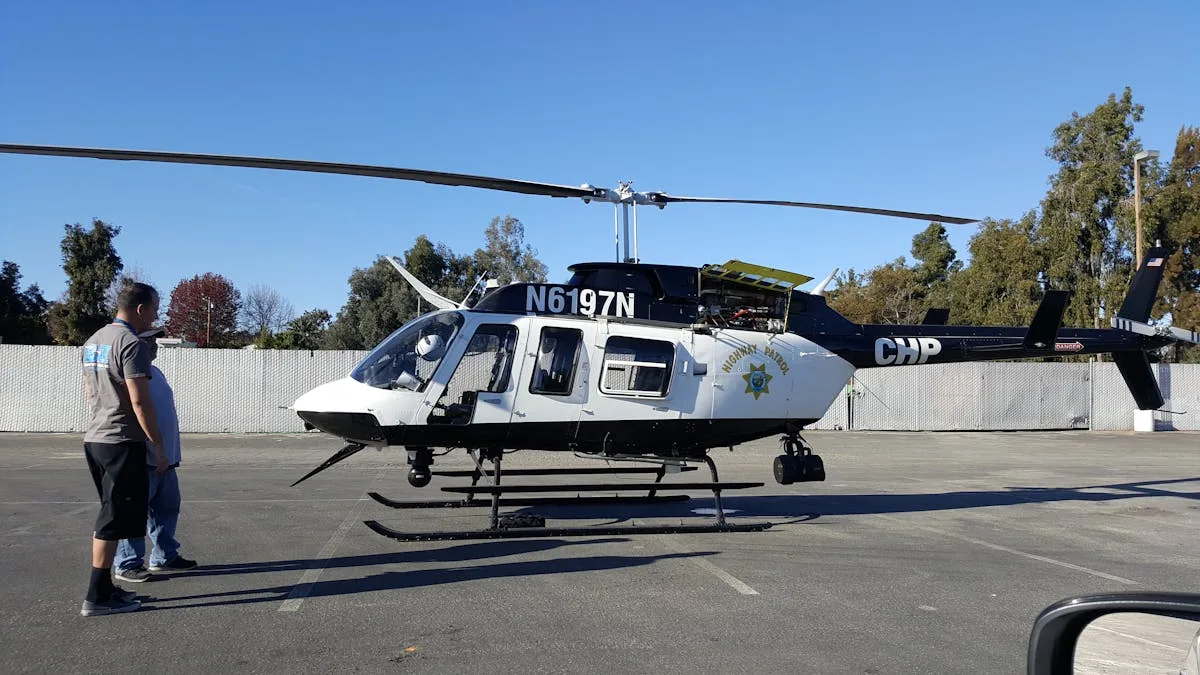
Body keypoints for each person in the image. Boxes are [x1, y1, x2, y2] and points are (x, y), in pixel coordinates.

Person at [79, 282, 168, 617]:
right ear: (141, 309)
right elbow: (139, 401)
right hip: (121, 441)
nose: (156, 316)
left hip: (96, 438)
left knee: (110, 514)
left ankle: (105, 588)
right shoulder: (131, 344)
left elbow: (90, 392)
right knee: (112, 519)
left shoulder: (94, 341)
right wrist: (157, 446)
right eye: (155, 309)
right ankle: (96, 596)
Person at [113, 327, 197, 582]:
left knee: (167, 508)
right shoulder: (131, 375)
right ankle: (127, 562)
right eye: (147, 341)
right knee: (135, 511)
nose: (153, 345)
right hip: (144, 456)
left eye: (153, 340)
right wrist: (155, 449)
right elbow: (137, 409)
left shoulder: (156, 372)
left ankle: (164, 556)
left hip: (166, 457)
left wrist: (168, 453)